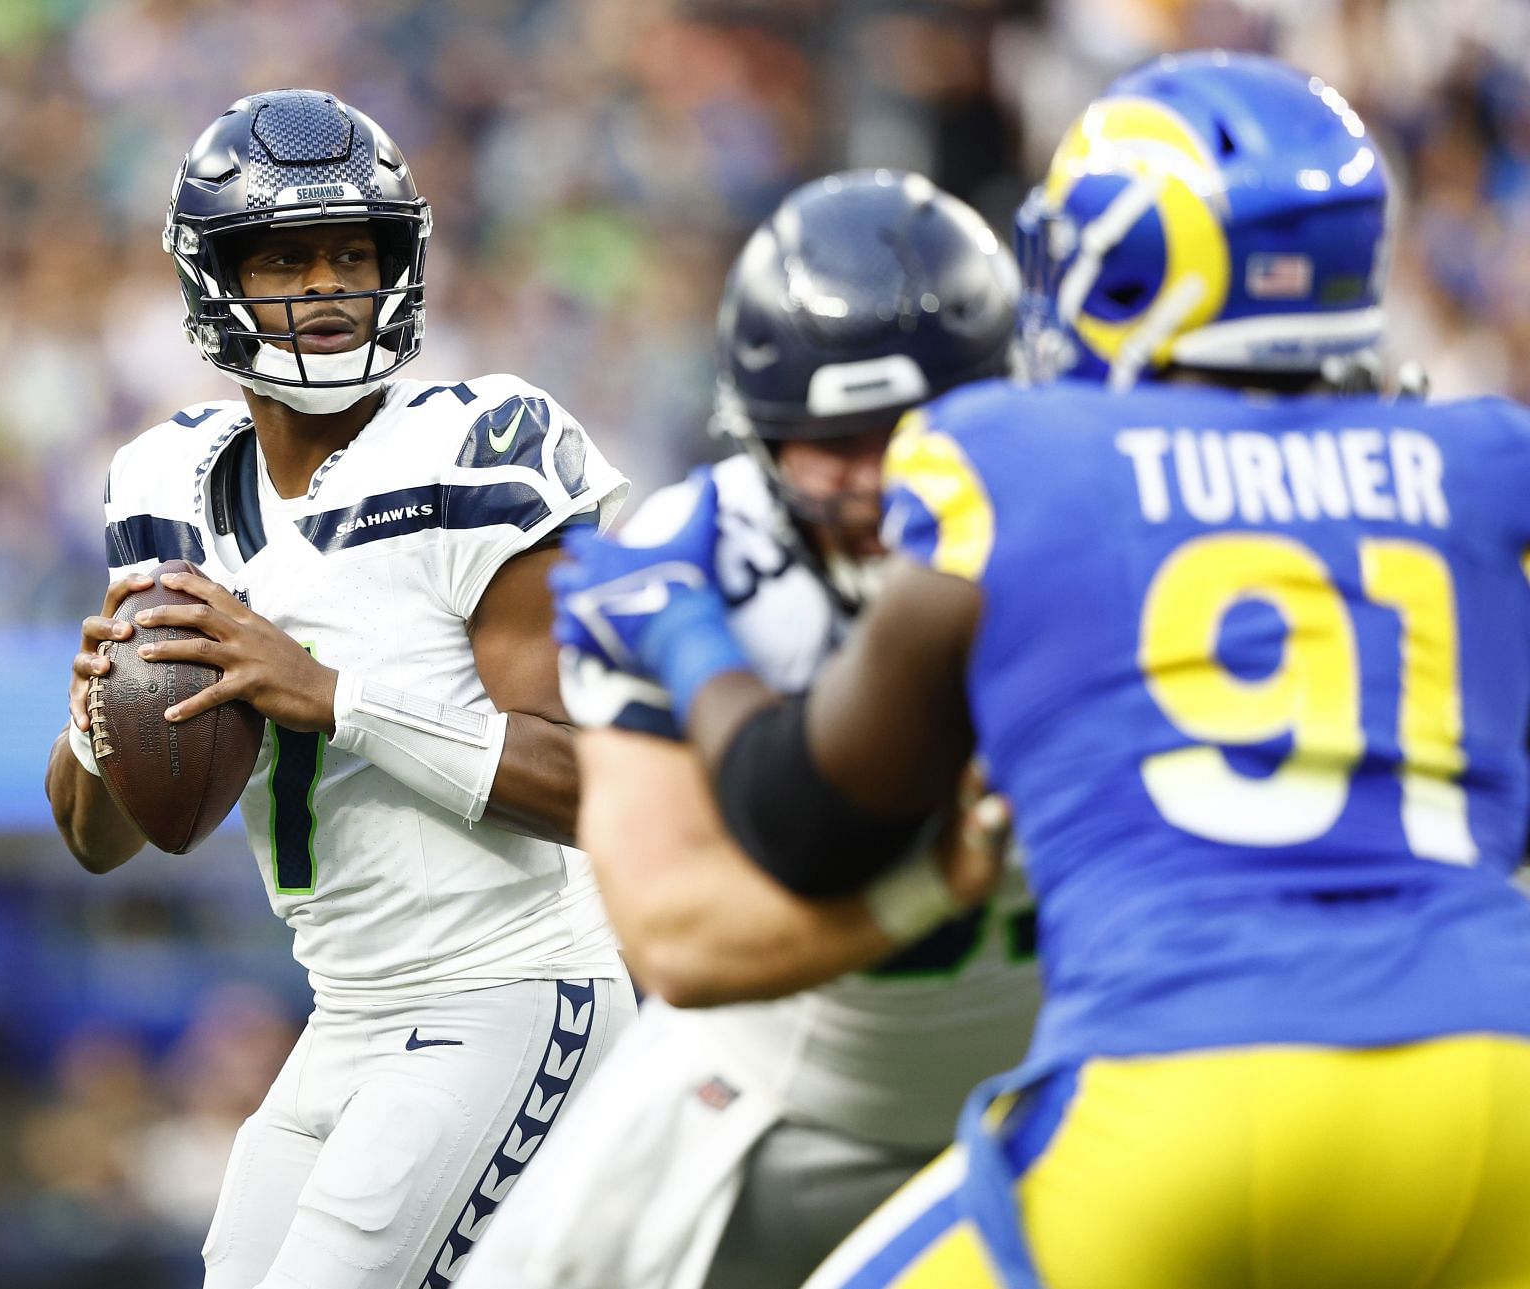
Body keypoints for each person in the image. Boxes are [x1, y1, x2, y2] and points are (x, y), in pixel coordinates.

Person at [553, 52, 1530, 1288]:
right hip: (1500, 1072)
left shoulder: (1023, 461)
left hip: (1185, 1086)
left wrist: (685, 632)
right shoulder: (1487, 458)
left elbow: (807, 822)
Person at [42, 89, 636, 1289]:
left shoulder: (483, 446)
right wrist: (100, 711)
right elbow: (101, 841)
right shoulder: (162, 483)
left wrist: (333, 692)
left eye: (352, 255)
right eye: (287, 259)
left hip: (513, 986)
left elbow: (598, 784)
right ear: (217, 281)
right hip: (344, 1012)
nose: (324, 287)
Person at [457, 170, 1036, 1289]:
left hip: (1066, 1085)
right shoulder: (684, 562)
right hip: (779, 1093)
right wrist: (928, 889)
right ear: (767, 435)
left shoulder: (1092, 529)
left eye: (913, 430)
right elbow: (679, 935)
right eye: (839, 439)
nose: (876, 481)